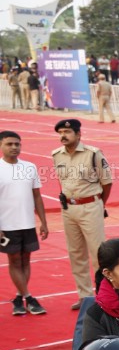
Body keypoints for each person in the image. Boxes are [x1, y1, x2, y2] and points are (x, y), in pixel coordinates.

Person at [52, 119, 112, 309]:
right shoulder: (57, 155)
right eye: (60, 132)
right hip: (68, 209)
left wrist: (100, 204)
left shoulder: (93, 154)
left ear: (78, 134)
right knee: (76, 253)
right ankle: (85, 296)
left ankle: (104, 294)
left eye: (67, 132)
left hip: (90, 206)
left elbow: (107, 182)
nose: (63, 135)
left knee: (97, 253)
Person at [1, 130, 48, 315]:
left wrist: (43, 222)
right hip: (6, 225)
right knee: (14, 260)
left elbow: (37, 196)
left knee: (26, 259)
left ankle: (19, 298)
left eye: (17, 144)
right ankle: (28, 297)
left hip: (27, 223)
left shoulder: (30, 167)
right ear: (1, 146)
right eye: (9, 144)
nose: (14, 147)